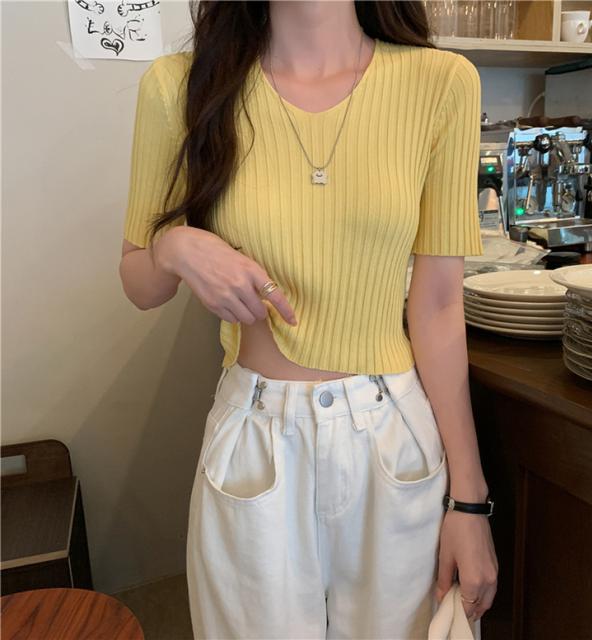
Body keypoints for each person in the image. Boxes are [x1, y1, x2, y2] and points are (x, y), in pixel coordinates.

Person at [119, 1, 498, 638]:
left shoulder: (442, 83)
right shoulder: (180, 85)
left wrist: (469, 501)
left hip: (393, 440)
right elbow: (138, 282)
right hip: (255, 438)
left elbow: (437, 306)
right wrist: (175, 246)